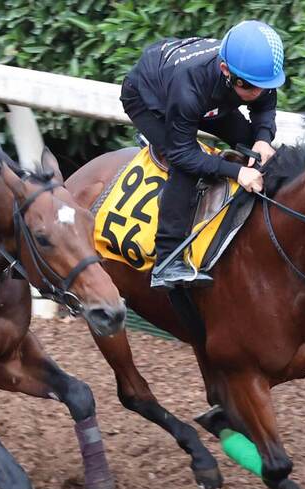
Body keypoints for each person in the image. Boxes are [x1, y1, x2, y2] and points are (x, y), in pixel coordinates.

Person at [120, 20, 286, 289]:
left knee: (253, 147)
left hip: (208, 102)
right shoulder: (189, 84)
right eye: (250, 88)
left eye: (263, 87)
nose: (258, 95)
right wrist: (237, 172)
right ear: (226, 71)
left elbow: (264, 107)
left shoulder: (254, 76)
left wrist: (263, 139)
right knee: (185, 167)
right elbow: (184, 155)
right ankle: (167, 260)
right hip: (152, 100)